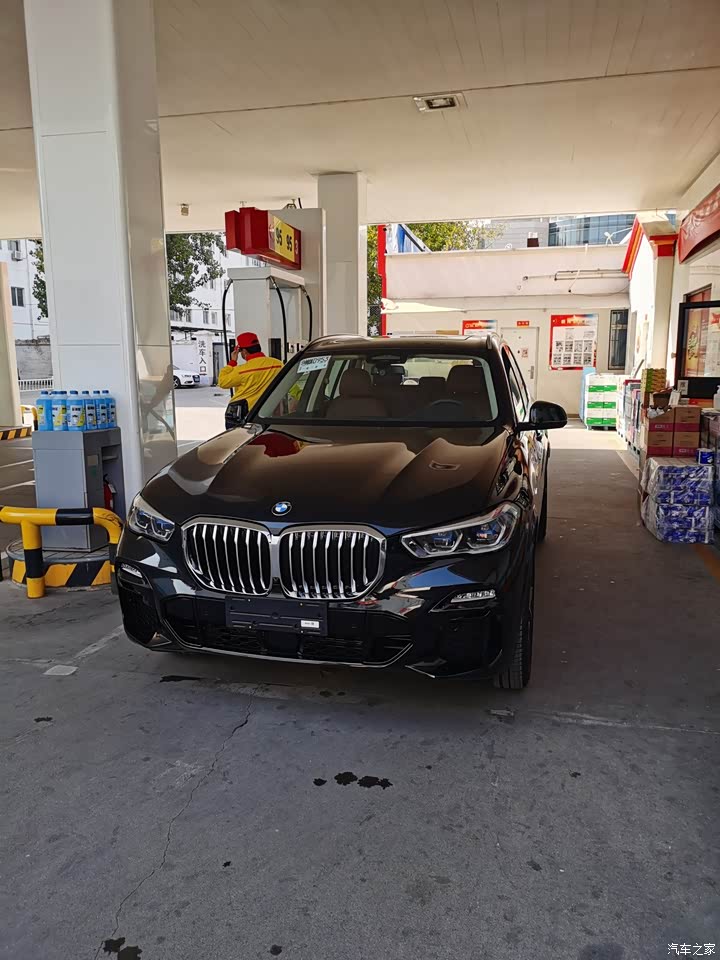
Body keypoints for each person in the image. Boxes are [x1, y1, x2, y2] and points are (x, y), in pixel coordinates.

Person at [218, 331, 283, 412]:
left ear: (244, 351)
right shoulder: (278, 364)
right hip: (271, 410)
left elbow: (222, 382)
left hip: (247, 412)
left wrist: (232, 362)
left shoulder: (241, 371)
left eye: (240, 351)